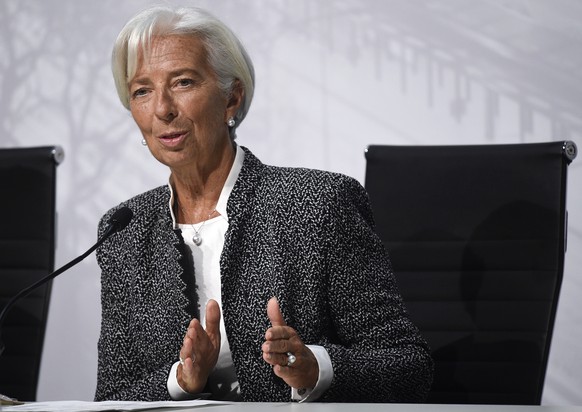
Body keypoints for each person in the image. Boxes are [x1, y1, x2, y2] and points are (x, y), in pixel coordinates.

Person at [94, 5, 433, 403]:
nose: (162, 109)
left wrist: (315, 369)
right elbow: (112, 395)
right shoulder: (125, 232)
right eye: (142, 91)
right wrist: (180, 382)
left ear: (231, 98)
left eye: (183, 82)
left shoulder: (318, 205)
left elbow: (409, 366)